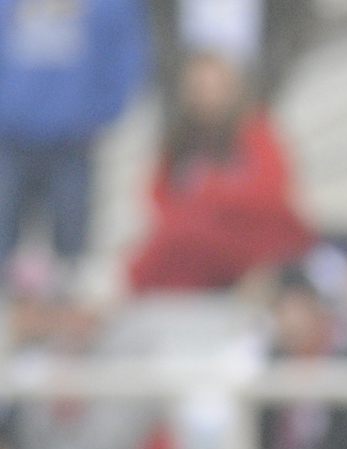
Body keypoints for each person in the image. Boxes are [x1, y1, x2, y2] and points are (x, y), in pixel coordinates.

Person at [126, 50, 312, 294]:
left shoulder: (254, 131)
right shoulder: (180, 139)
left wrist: (213, 193)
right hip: (197, 235)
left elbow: (272, 190)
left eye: (216, 87)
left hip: (249, 233)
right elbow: (158, 193)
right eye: (201, 88)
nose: (209, 96)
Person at [0, 0, 146, 271]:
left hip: (73, 141)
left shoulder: (110, 6)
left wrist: (100, 113)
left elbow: (125, 53)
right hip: (9, 137)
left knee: (72, 245)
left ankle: (67, 302)